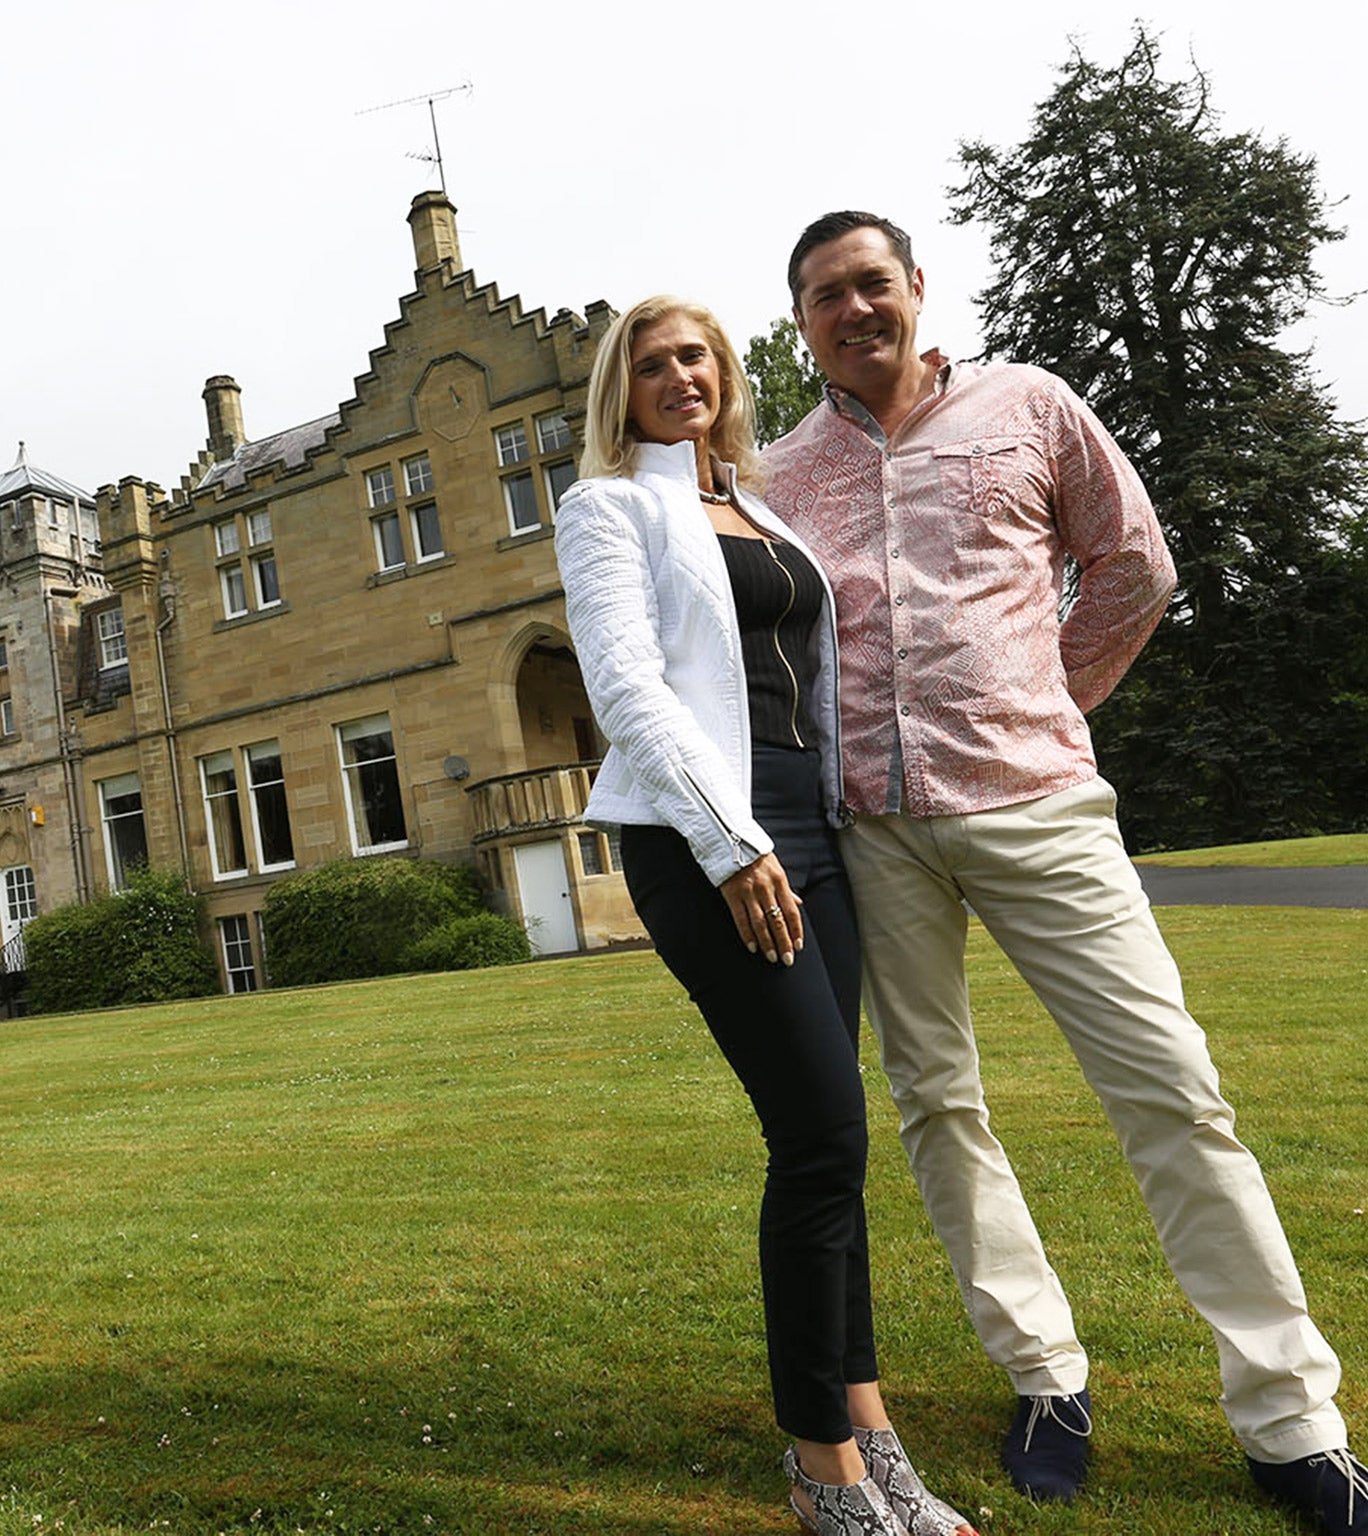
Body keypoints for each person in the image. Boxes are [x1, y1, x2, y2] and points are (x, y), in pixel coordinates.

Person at [761, 209, 1368, 1535]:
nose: (853, 309)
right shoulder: (780, 477)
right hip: (874, 831)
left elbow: (1135, 565)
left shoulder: (1030, 406)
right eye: (825, 295)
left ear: (917, 289)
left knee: (1173, 1089)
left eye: (871, 282)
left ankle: (1292, 1428)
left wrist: (1045, 700)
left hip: (1039, 807)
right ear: (802, 323)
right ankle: (1044, 1375)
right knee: (938, 1106)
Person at [554, 294, 975, 1536]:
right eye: (648, 363)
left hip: (818, 837)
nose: (677, 375)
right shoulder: (608, 507)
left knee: (835, 1142)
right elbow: (626, 686)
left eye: (695, 355)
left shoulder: (758, 506)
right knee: (817, 1140)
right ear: (617, 390)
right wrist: (729, 843)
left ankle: (868, 1426)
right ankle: (818, 1466)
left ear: (726, 372)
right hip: (706, 846)